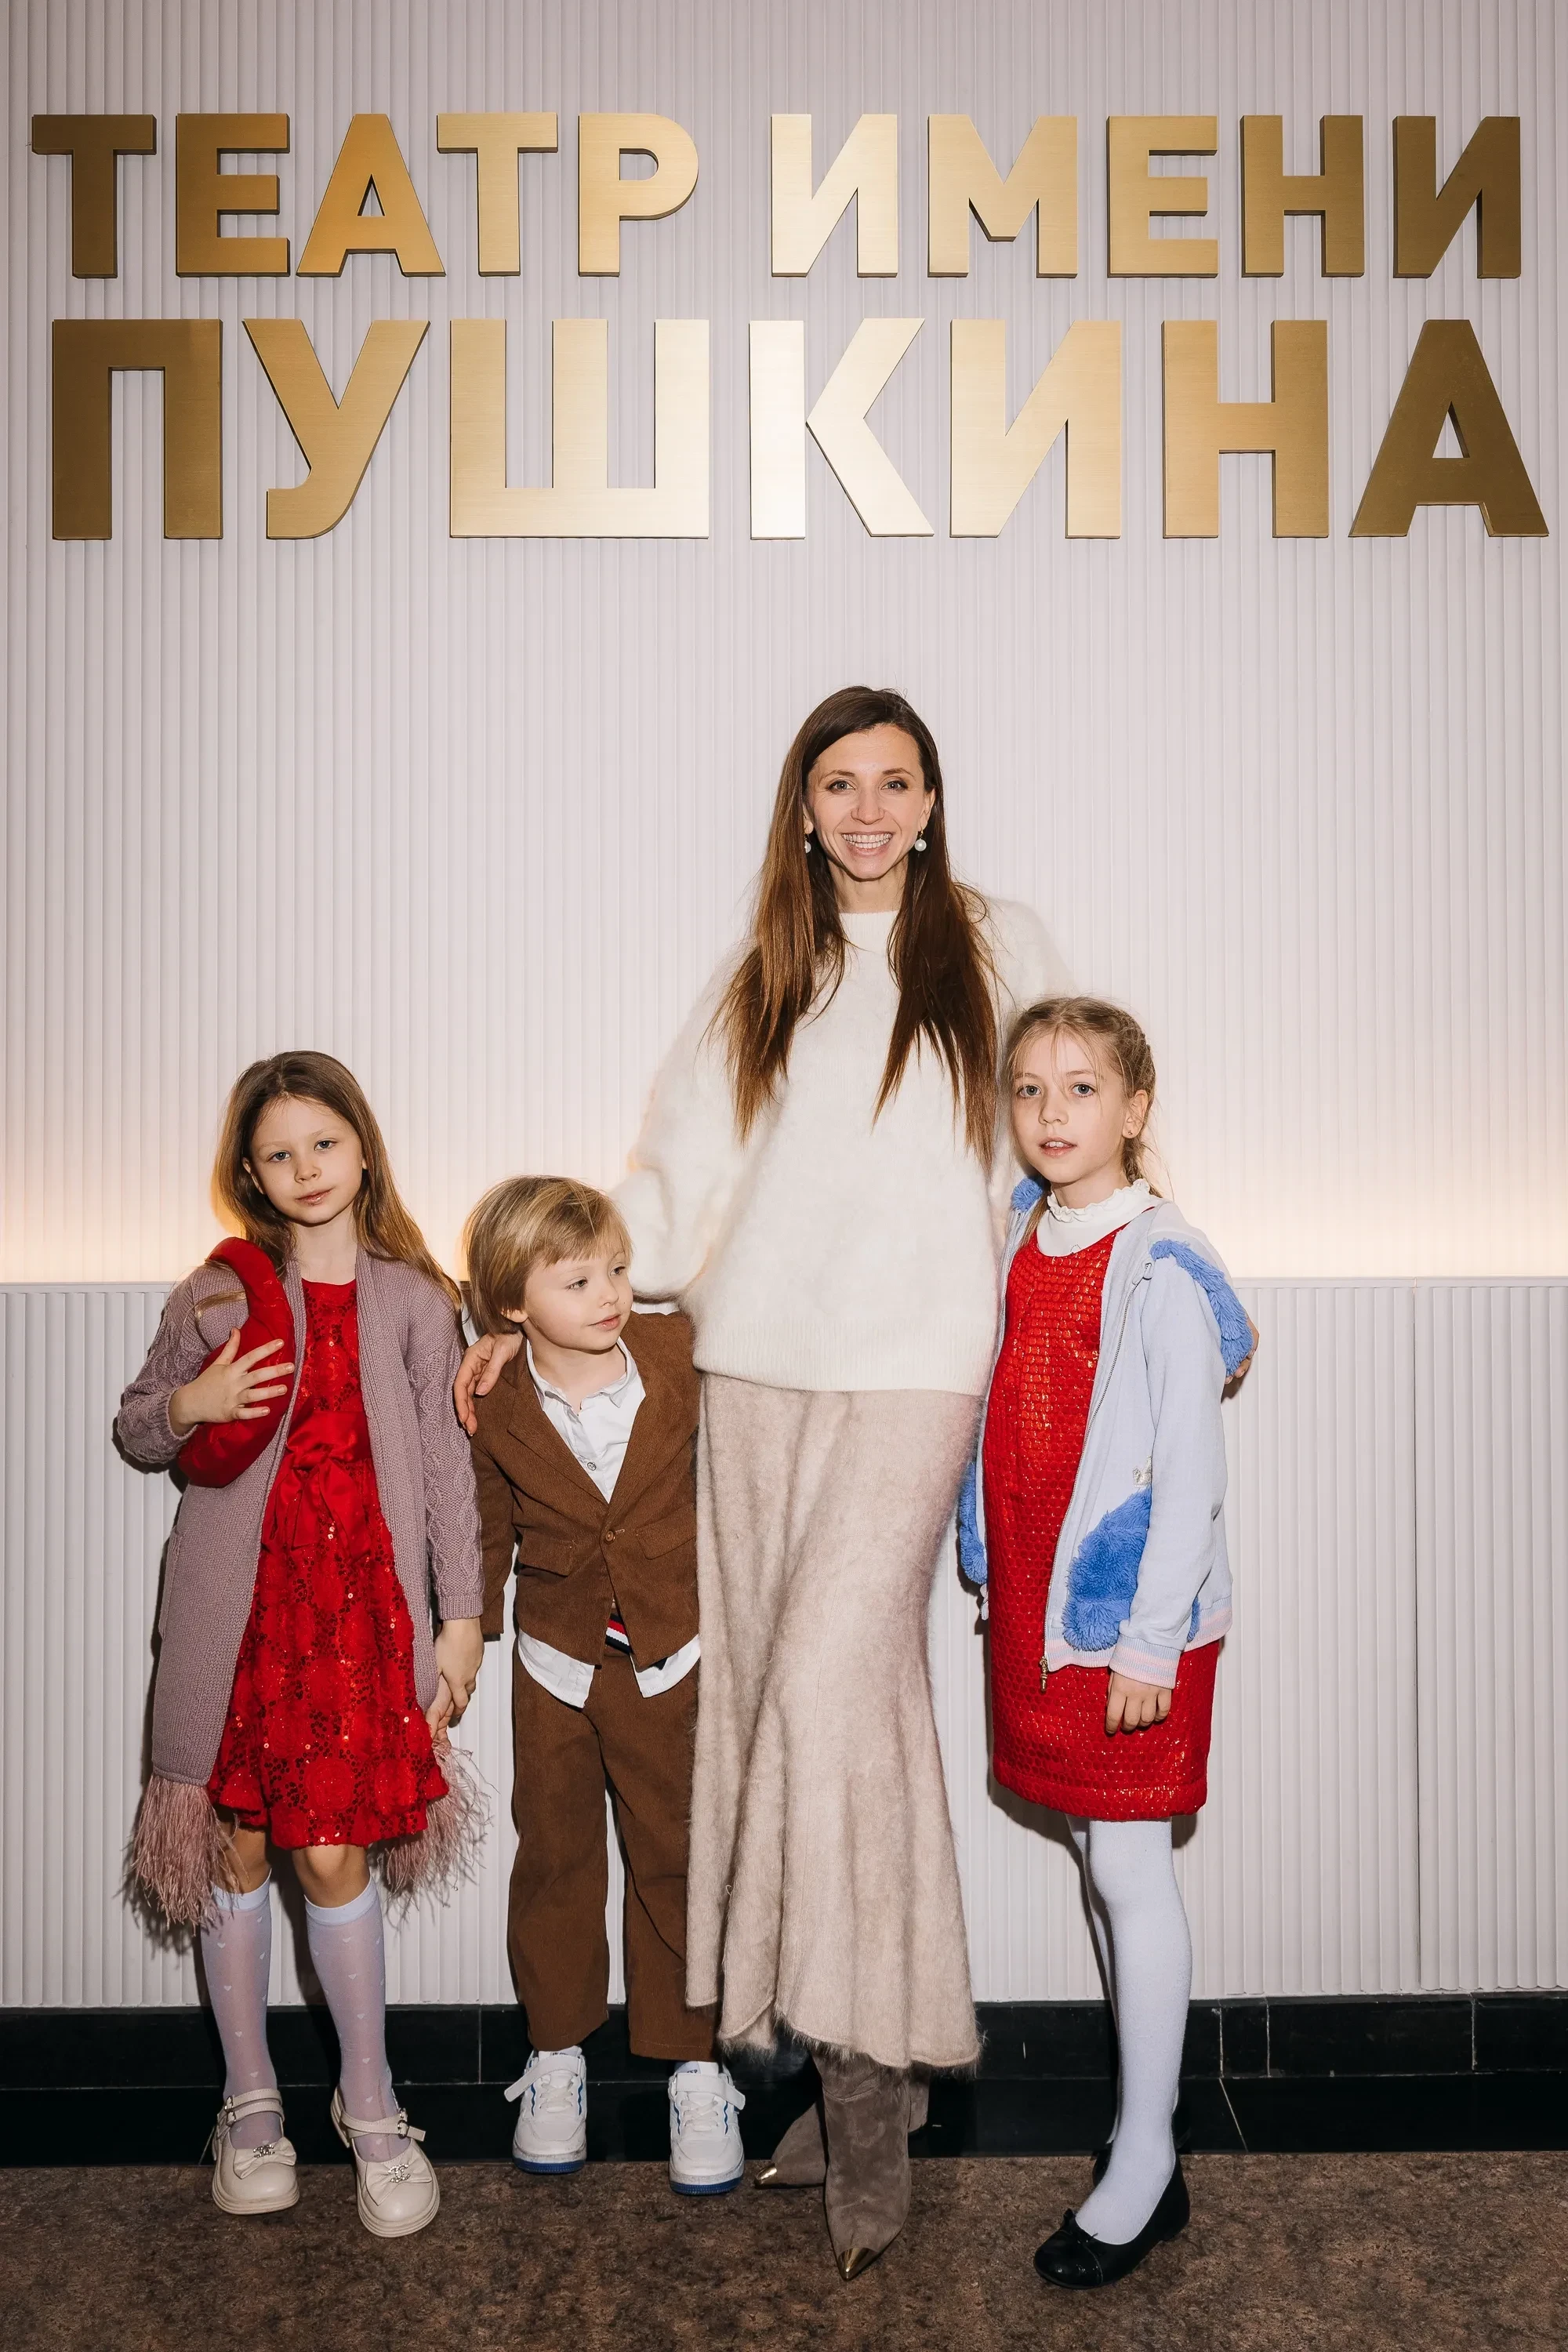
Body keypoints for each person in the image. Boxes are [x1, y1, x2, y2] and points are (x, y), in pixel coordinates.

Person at [457, 684, 1069, 2278]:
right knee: (777, 1718)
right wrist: (522, 1307)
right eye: (838, 784)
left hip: (919, 1369)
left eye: (896, 782)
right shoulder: (764, 976)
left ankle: (866, 2093)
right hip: (750, 1376)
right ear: (803, 809)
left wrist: (1136, 1264)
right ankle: (866, 2048)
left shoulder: (996, 948)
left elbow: (1058, 1133)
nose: (868, 810)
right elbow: (669, 1186)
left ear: (931, 803)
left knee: (825, 1694)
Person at [115, 1051, 485, 2238]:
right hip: (241, 1618)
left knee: (331, 1860)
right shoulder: (216, 1296)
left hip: (358, 1623)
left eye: (324, 1142)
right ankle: (250, 2104)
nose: (306, 1168)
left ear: (363, 1149)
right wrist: (191, 1405)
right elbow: (138, 1426)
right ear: (252, 1175)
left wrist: (464, 1618)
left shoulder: (417, 1301)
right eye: (278, 1153)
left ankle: (370, 2107)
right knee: (234, 1849)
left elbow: (449, 1474)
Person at [958, 997, 1252, 2288]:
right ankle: (1148, 2128)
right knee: (1098, 1857)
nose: (1051, 1112)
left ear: (1135, 1109)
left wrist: (1147, 1645)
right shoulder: (1022, 1237)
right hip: (1037, 1614)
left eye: (1082, 1088)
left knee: (1130, 1868)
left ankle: (1145, 2159)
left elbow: (1189, 1475)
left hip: (1128, 1625)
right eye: (1029, 1088)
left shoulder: (1160, 1263)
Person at [461, 1175, 746, 2194]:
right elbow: (485, 1524)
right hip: (556, 1661)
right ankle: (555, 2055)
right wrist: (466, 1633)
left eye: (617, 1270)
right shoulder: (493, 1397)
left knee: (679, 1854)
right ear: (512, 1302)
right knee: (556, 1856)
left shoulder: (679, 1354)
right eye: (576, 1281)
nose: (610, 1294)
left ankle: (696, 2063)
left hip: (674, 1653)